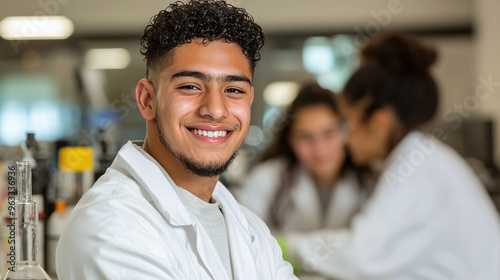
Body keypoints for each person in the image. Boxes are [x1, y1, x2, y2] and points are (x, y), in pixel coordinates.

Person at [56, 1, 297, 279]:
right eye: (190, 86)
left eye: (233, 89)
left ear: (250, 101)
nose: (216, 110)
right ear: (147, 100)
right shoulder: (111, 225)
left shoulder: (248, 227)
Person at [286, 32, 500, 279]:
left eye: (347, 124)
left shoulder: (416, 165)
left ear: (379, 122)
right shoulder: (420, 156)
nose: (344, 138)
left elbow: (361, 255)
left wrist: (285, 247)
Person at [238, 82, 371, 234]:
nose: (318, 147)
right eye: (305, 137)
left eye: (328, 133)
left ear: (345, 132)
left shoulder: (371, 181)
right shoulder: (265, 180)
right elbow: (246, 240)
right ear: (290, 141)